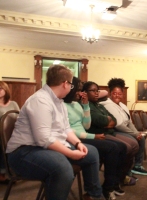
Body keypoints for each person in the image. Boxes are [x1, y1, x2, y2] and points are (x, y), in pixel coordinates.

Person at [6, 65, 103, 200]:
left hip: (41, 147)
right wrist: (70, 153)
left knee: (91, 152)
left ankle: (94, 196)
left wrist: (78, 143)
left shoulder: (58, 101)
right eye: (71, 85)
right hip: (23, 153)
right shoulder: (40, 100)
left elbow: (66, 128)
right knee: (62, 168)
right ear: (65, 84)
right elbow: (43, 139)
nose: (71, 88)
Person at [63, 77, 128, 200]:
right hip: (74, 138)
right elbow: (67, 131)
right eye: (78, 90)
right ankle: (107, 188)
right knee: (112, 148)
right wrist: (93, 136)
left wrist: (86, 105)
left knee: (122, 146)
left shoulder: (76, 104)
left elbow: (86, 125)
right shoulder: (62, 105)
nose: (80, 93)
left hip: (84, 135)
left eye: (81, 90)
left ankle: (113, 184)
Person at [82, 81, 139, 185]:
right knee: (125, 147)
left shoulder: (99, 105)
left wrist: (108, 121)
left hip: (110, 131)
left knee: (134, 144)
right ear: (85, 92)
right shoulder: (87, 105)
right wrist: (107, 121)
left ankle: (123, 174)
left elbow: (114, 120)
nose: (96, 93)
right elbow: (99, 120)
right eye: (93, 91)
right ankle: (118, 178)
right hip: (101, 133)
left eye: (97, 91)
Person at [100, 78, 147, 176]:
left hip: (125, 129)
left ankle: (137, 165)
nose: (117, 95)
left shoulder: (123, 105)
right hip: (114, 130)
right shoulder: (107, 105)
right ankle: (126, 170)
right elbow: (119, 125)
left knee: (141, 138)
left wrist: (137, 133)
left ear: (122, 94)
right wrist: (134, 135)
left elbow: (129, 122)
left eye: (119, 93)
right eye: (114, 93)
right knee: (133, 141)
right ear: (110, 93)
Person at [0, 81, 20, 184]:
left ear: (5, 89)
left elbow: (19, 118)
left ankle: (14, 172)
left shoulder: (13, 103)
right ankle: (3, 174)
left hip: (14, 132)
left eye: (0, 89)